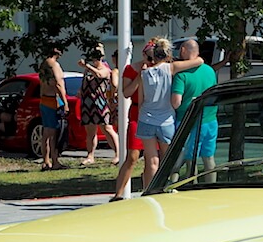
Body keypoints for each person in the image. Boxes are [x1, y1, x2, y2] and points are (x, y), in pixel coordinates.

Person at [123, 37, 203, 190]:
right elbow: (198, 61)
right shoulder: (171, 68)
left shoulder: (144, 73)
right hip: (165, 119)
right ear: (167, 55)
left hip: (146, 118)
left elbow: (141, 100)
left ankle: (149, 190)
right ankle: (165, 188)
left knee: (151, 160)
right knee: (167, 159)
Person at [172, 39, 219, 175]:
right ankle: (211, 187)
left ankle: (191, 187)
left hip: (189, 121)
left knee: (190, 160)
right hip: (210, 120)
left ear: (183, 50)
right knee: (209, 158)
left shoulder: (181, 75)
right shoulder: (210, 71)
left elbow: (176, 102)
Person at [111, 49, 146, 201]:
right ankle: (118, 194)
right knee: (133, 155)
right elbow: (126, 92)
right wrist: (139, 77)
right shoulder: (131, 69)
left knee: (155, 158)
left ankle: (149, 190)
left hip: (155, 113)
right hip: (137, 114)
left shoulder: (163, 67)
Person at [77, 45, 120, 166]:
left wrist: (87, 66)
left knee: (106, 128)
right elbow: (86, 81)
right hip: (88, 104)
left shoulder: (105, 69)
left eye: (96, 58)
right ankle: (90, 156)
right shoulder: (88, 70)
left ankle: (118, 153)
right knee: (90, 131)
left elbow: (100, 75)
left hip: (101, 103)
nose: (94, 61)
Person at [38, 44, 67, 170]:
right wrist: (65, 102)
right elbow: (58, 83)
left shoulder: (43, 64)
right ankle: (54, 161)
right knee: (53, 133)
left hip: (44, 100)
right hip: (52, 101)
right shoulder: (53, 65)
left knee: (46, 132)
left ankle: (46, 161)